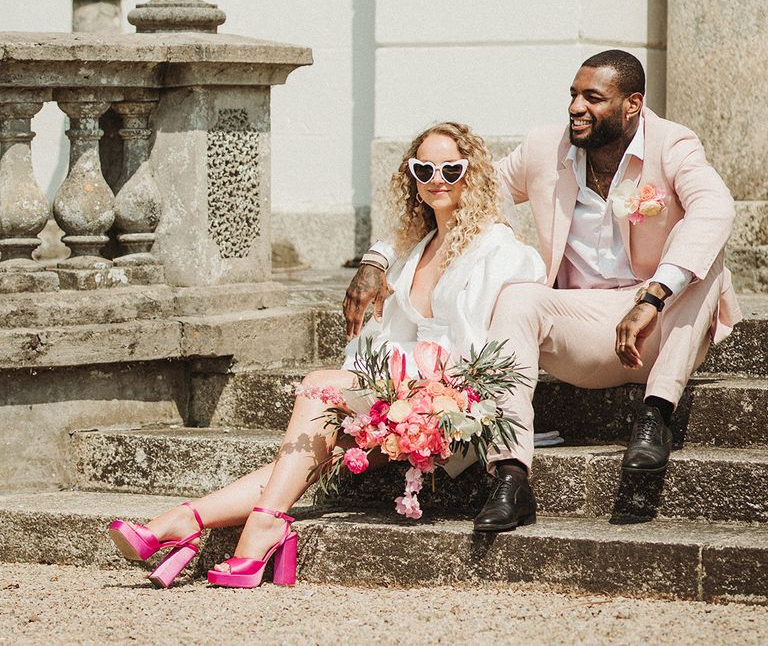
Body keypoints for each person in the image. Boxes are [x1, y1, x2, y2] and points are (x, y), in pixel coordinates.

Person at [107, 122, 545, 589]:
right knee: (321, 452)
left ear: (472, 174)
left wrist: (430, 397)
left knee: (320, 384)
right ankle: (190, 521)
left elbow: (499, 347)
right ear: (412, 176)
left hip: (454, 407)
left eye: (451, 168)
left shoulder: (498, 249)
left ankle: (218, 526)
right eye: (424, 168)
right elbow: (390, 321)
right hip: (403, 392)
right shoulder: (414, 247)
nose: (437, 177)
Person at [345, 50, 741, 533]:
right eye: (573, 95)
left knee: (708, 263)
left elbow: (715, 208)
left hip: (661, 326)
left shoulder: (674, 146)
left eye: (592, 98)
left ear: (632, 104)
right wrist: (376, 259)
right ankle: (511, 477)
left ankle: (655, 414)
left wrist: (654, 294)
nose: (576, 107)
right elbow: (451, 189)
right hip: (581, 328)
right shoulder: (542, 150)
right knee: (519, 297)